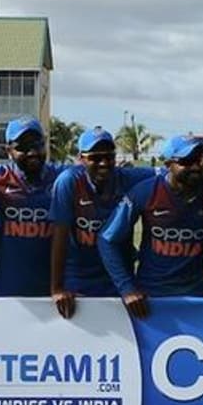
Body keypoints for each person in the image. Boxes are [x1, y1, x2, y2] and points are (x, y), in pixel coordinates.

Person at [99, 135, 203, 317]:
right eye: (186, 161)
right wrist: (127, 288)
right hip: (151, 299)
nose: (195, 167)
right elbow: (107, 239)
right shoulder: (146, 192)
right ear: (168, 164)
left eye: (199, 160)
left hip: (196, 299)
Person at [48, 127, 158, 318]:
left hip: (118, 279)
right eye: (95, 158)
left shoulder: (129, 178)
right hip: (79, 278)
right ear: (81, 159)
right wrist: (57, 288)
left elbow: (169, 171)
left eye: (109, 157)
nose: (104, 163)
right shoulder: (69, 182)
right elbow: (60, 235)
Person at [0, 116, 62, 297]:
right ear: (8, 150)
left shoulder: (62, 177)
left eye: (37, 144)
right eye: (23, 147)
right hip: (7, 296)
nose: (32, 152)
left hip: (54, 298)